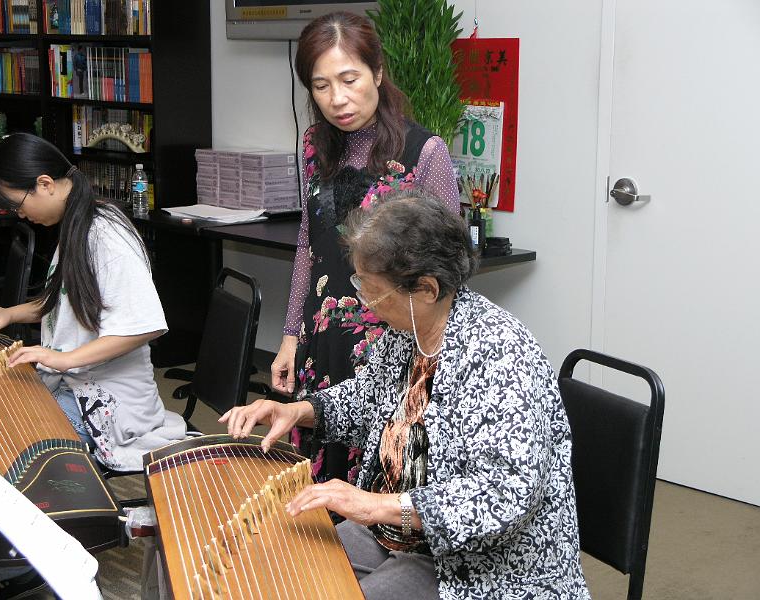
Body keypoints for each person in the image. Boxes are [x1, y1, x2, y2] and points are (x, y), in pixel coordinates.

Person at [222, 190, 591, 600]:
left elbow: (505, 495)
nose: (366, 303)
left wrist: (374, 506)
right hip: (396, 531)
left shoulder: (502, 355)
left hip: (475, 563)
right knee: (284, 567)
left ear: (427, 289)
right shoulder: (410, 332)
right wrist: (300, 411)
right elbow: (368, 398)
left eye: (374, 292)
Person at [272, 11, 460, 484]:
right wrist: (290, 335)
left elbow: (451, 272)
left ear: (377, 72)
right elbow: (307, 244)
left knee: (376, 483)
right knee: (317, 474)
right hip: (323, 337)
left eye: (350, 79)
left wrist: (428, 359)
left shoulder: (424, 152)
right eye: (320, 85)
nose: (337, 99)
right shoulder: (314, 145)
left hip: (391, 343)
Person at [0, 133, 186, 474]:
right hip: (74, 386)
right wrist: (11, 312)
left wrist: (64, 359)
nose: (20, 215)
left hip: (107, 404)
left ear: (45, 183)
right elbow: (66, 301)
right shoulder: (78, 224)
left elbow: (144, 325)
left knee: (8, 442)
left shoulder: (105, 235)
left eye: (18, 204)